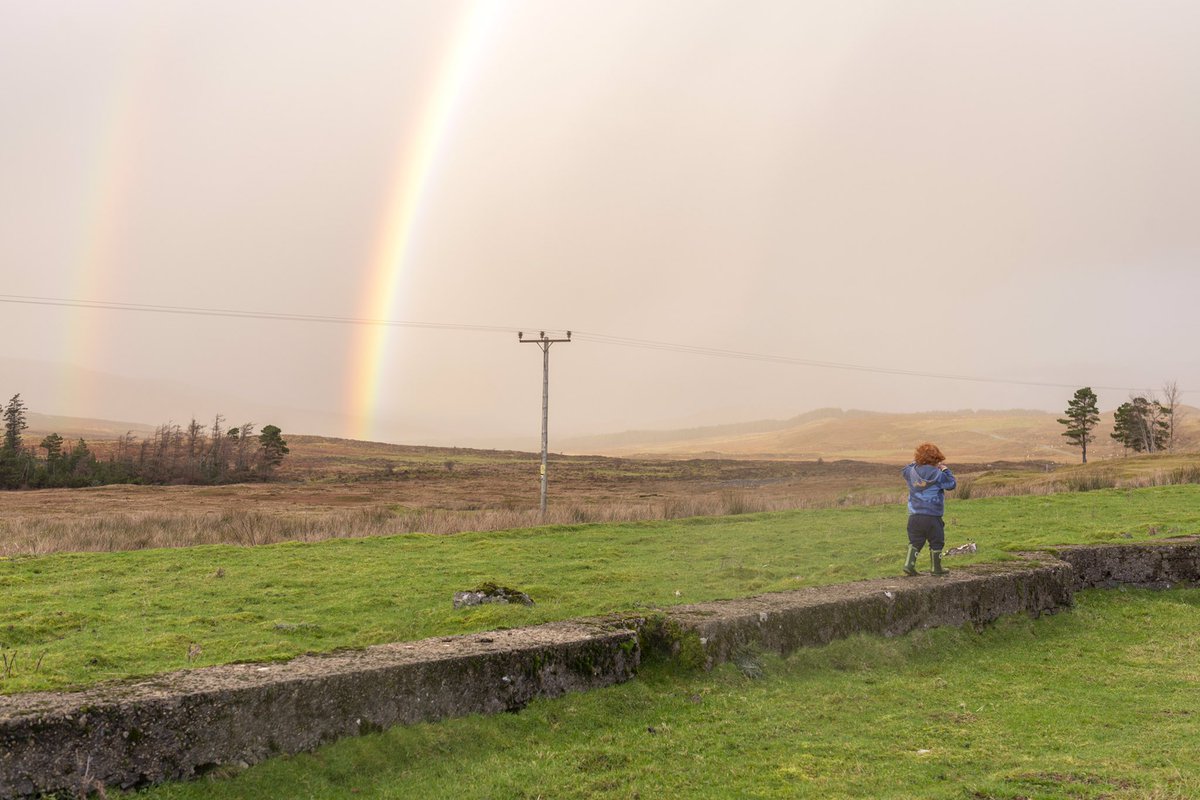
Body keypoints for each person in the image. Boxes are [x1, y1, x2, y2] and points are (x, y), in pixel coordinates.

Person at [901, 442, 956, 576]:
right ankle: (936, 569)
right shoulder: (938, 474)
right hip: (933, 516)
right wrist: (945, 469)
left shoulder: (911, 472)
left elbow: (904, 470)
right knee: (937, 540)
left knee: (915, 541)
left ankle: (909, 565)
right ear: (937, 459)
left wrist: (916, 462)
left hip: (914, 515)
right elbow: (951, 484)